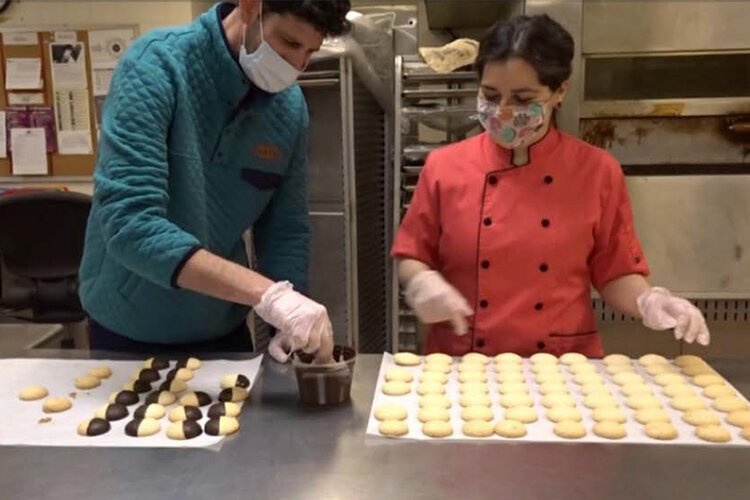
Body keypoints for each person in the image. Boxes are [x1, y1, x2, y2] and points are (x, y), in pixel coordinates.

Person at [392, 15, 709, 357]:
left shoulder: (597, 171)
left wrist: (650, 300)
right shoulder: (445, 167)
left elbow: (615, 272)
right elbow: (412, 254)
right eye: (490, 95)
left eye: (523, 99)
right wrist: (421, 282)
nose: (503, 111)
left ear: (560, 91)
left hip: (564, 365)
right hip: (464, 361)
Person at [79, 0, 351, 362]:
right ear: (250, 7)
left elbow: (286, 231)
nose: (297, 65)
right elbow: (130, 224)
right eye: (288, 43)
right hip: (128, 327)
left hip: (220, 330)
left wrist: (287, 321)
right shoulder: (156, 66)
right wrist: (267, 295)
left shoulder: (288, 110)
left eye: (310, 52)